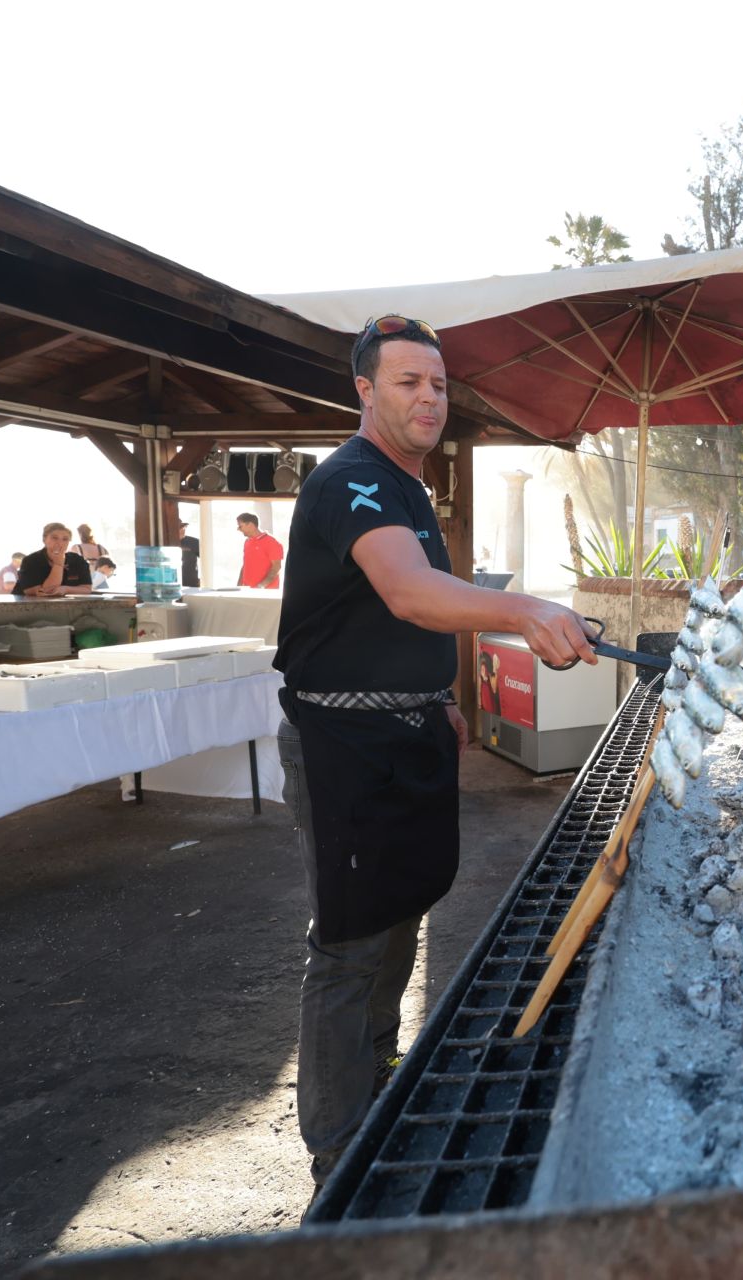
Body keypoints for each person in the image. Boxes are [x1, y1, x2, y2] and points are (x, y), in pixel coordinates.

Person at [274, 313, 595, 1192]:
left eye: (439, 384)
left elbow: (410, 615)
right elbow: (410, 593)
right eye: (409, 382)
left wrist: (441, 698)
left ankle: (378, 1080)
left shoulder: (412, 488)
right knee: (348, 943)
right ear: (365, 390)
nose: (429, 398)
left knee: (404, 913)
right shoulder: (353, 482)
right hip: (341, 742)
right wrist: (527, 612)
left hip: (406, 729)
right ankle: (339, 1147)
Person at [13, 523, 93, 596]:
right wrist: (58, 564)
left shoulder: (77, 560)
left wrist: (66, 589)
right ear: (44, 539)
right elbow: (46, 591)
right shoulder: (31, 561)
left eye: (65, 539)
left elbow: (87, 588)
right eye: (54, 538)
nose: (60, 543)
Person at [236, 512, 284, 588]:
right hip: (247, 591)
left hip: (266, 593)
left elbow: (276, 567)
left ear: (251, 525)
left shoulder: (272, 542)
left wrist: (260, 586)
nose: (238, 529)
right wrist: (238, 586)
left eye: (240, 526)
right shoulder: (247, 542)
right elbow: (245, 565)